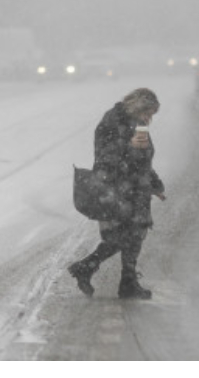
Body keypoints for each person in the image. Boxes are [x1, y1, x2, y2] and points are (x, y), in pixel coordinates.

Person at [68, 87, 166, 299]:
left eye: (152, 115)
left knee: (135, 234)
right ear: (138, 106)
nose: (149, 118)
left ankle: (124, 281)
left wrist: (155, 185)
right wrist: (129, 145)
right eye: (147, 113)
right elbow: (105, 157)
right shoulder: (112, 121)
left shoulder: (137, 124)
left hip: (136, 189)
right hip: (117, 188)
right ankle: (91, 269)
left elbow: (143, 160)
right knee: (122, 237)